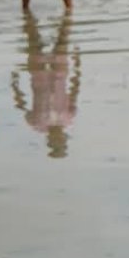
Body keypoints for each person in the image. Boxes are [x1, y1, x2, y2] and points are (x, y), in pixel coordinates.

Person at [11, 13, 80, 158]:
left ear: (49, 140)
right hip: (59, 73)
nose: (59, 137)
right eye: (61, 140)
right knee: (63, 39)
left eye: (57, 141)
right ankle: (63, 18)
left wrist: (15, 85)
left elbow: (21, 105)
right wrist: (77, 68)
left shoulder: (37, 123)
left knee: (33, 39)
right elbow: (74, 92)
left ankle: (29, 18)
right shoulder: (68, 119)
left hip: (38, 74)